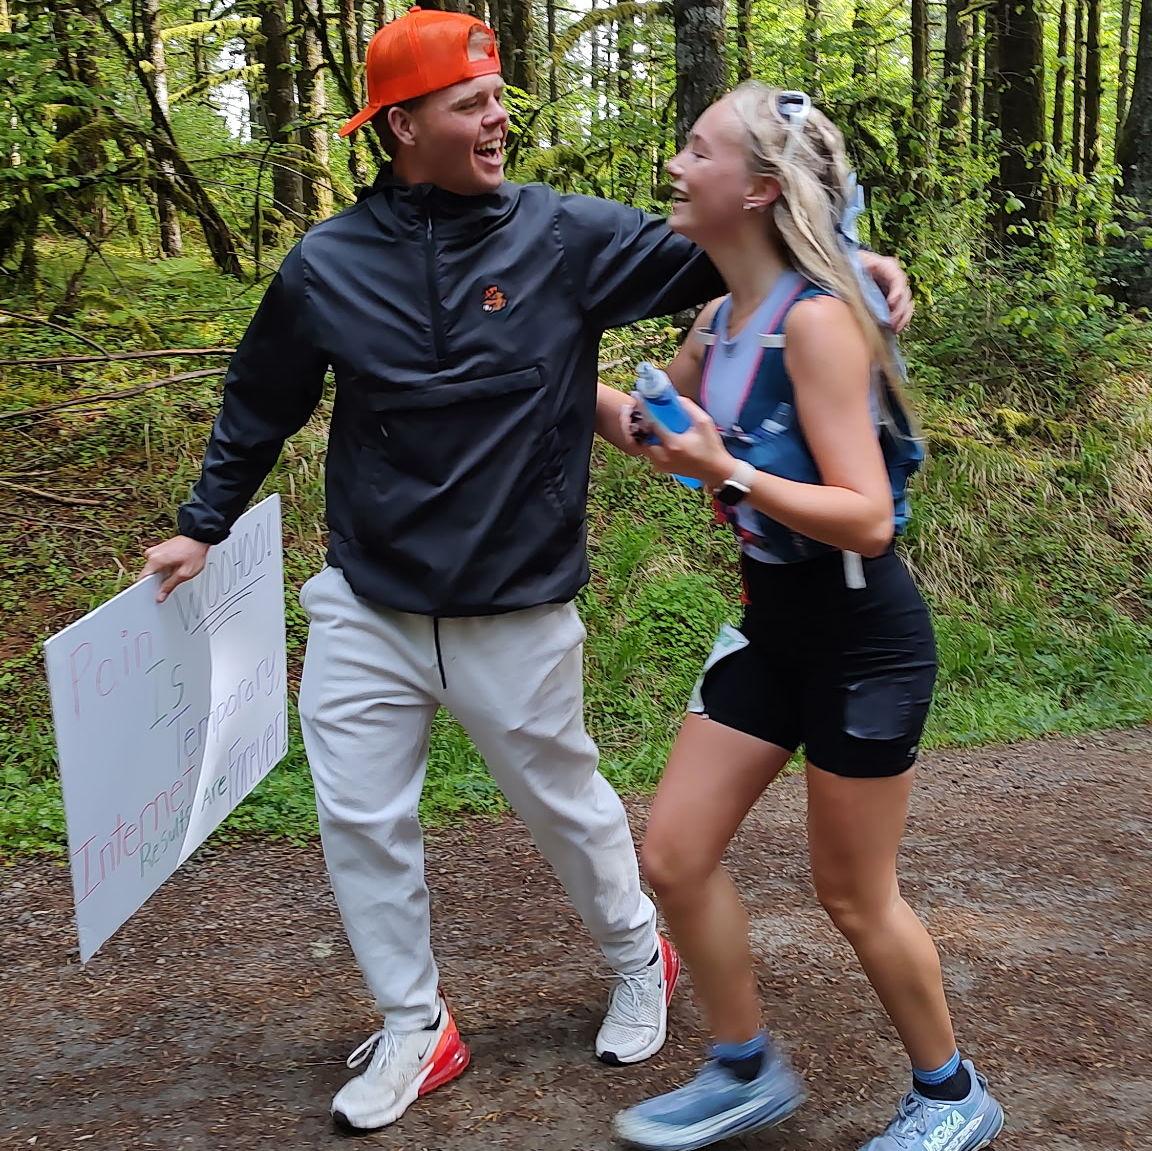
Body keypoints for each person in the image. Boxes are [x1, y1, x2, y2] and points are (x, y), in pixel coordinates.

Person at [136, 8, 912, 1134]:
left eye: (500, 96)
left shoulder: (565, 237)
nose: (500, 118)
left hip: (516, 604)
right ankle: (416, 1021)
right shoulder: (328, 263)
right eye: (472, 103)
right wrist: (202, 523)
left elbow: (745, 236)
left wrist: (857, 260)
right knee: (359, 816)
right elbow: (263, 397)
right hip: (368, 597)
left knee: (565, 803)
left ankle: (638, 949)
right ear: (403, 125)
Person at [607, 85, 1004, 1151]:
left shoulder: (818, 324)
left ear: (762, 187)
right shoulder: (716, 318)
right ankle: (743, 1066)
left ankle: (951, 1090)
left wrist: (725, 465)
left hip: (863, 638)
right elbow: (653, 431)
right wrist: (528, 369)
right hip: (770, 625)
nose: (677, 167)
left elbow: (867, 516)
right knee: (675, 856)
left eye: (698, 149)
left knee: (853, 891)